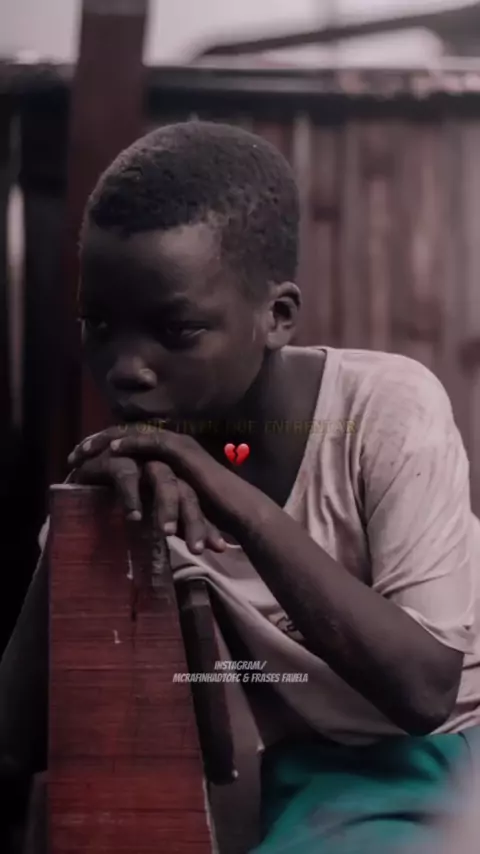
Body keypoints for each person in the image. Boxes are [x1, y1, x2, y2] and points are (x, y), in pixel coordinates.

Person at [1, 120, 480, 853]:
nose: (126, 368)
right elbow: (16, 744)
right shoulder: (131, 483)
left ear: (276, 318)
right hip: (328, 781)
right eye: (98, 324)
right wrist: (76, 523)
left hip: (461, 744)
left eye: (177, 331)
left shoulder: (383, 412)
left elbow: (426, 692)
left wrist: (224, 491)